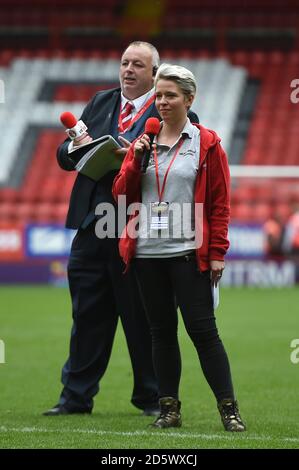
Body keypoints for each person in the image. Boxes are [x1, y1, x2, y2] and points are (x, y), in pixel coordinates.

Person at [43, 42, 196, 417]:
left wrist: (136, 155)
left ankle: (151, 397)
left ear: (155, 72)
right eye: (125, 62)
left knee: (143, 316)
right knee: (87, 315)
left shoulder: (167, 104)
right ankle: (75, 398)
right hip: (92, 226)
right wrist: (76, 147)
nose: (128, 69)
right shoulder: (99, 102)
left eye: (138, 64)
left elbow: (183, 156)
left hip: (138, 227)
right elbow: (65, 156)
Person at [112, 63, 246, 431]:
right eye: (158, 95)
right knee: (161, 333)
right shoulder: (143, 140)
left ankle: (229, 410)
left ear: (189, 98)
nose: (162, 102)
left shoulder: (207, 142)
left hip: (189, 254)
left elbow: (220, 203)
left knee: (204, 333)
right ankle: (168, 409)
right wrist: (135, 160)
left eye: (170, 95)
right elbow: (120, 194)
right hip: (146, 255)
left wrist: (218, 252)